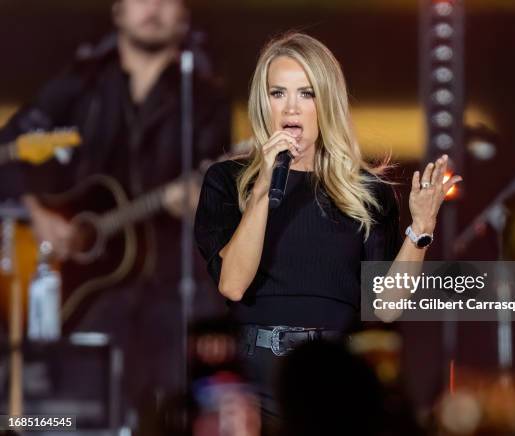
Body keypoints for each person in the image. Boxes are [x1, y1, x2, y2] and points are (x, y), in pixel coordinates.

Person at [194, 32, 460, 426]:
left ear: (326, 101)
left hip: (335, 375)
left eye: (306, 93)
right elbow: (233, 284)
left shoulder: (365, 191)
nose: (291, 107)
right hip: (254, 378)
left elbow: (386, 307)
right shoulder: (226, 180)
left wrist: (421, 228)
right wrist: (264, 187)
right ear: (262, 101)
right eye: (277, 92)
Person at [0, 0, 231, 424]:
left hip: (169, 293)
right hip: (88, 293)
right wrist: (38, 212)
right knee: (80, 413)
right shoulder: (81, 85)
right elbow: (9, 151)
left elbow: (216, 195)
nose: (154, 8)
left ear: (184, 15)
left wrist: (202, 204)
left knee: (166, 413)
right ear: (118, 11)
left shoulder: (204, 100)